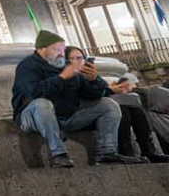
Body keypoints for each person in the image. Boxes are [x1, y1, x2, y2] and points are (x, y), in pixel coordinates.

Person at [12, 32, 124, 167]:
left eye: (62, 49)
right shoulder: (27, 66)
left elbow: (93, 95)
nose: (61, 53)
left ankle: (107, 153)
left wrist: (94, 80)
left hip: (66, 117)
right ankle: (58, 154)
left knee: (108, 105)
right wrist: (62, 78)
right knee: (43, 104)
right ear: (41, 49)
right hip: (33, 117)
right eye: (56, 49)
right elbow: (34, 93)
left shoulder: (65, 65)